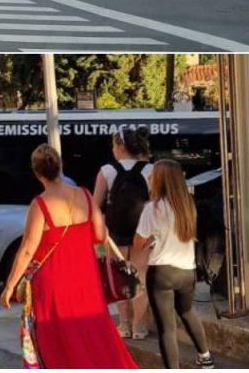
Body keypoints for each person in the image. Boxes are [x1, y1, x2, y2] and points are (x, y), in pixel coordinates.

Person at [1, 144, 137, 368]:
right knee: (95, 335)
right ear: (60, 167)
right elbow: (100, 234)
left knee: (58, 340)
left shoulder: (40, 205)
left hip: (53, 284)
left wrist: (9, 286)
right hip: (86, 279)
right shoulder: (84, 194)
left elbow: (27, 249)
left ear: (36, 173)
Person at [135, 160, 214, 369]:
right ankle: (206, 358)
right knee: (187, 312)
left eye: (153, 175)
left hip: (161, 271)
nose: (150, 178)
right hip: (187, 271)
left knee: (167, 329)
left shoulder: (152, 208)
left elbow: (138, 241)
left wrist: (150, 241)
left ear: (159, 179)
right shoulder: (188, 204)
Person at [94, 128, 153, 340]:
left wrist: (101, 230)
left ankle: (124, 325)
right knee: (141, 277)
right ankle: (139, 327)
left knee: (119, 278)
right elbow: (156, 203)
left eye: (113, 145)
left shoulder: (106, 170)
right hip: (142, 232)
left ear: (120, 146)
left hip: (114, 232)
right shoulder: (150, 170)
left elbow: (94, 205)